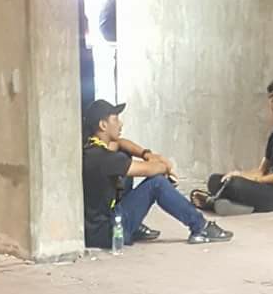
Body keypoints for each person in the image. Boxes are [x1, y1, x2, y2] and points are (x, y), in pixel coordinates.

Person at [82, 100, 232, 249]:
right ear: (103, 125)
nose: (120, 124)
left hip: (96, 228)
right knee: (157, 183)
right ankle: (201, 227)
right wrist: (164, 165)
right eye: (115, 119)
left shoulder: (91, 149)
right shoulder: (105, 158)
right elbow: (149, 170)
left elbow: (121, 143)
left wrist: (146, 154)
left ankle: (134, 225)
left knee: (126, 160)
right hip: (109, 232)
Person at [191, 78, 273, 216]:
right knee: (217, 180)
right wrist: (239, 174)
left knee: (235, 185)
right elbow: (261, 170)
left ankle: (219, 202)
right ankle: (228, 203)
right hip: (266, 186)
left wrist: (256, 181)